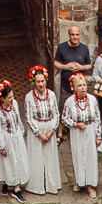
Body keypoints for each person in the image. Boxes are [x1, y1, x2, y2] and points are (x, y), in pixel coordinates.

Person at [62, 72, 102, 197]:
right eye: (79, 85)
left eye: (84, 85)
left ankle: (90, 185)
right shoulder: (69, 102)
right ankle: (79, 181)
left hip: (90, 131)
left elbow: (97, 119)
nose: (83, 88)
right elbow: (64, 119)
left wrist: (98, 136)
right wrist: (75, 124)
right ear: (74, 87)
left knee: (90, 157)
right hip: (77, 133)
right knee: (78, 156)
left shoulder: (92, 100)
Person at [24, 66, 62, 195]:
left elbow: (56, 114)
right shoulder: (29, 97)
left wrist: (52, 131)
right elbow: (28, 118)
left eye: (42, 81)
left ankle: (51, 184)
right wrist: (38, 134)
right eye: (38, 81)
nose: (41, 84)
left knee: (50, 158)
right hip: (37, 130)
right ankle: (37, 185)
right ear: (34, 82)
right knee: (37, 158)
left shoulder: (51, 95)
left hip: (49, 129)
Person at [0, 81, 28, 202]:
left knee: (18, 160)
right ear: (2, 98)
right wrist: (1, 146)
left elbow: (18, 120)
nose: (12, 99)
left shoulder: (15, 104)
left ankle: (14, 185)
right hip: (6, 138)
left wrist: (20, 132)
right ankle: (14, 187)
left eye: (12, 96)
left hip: (16, 136)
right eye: (9, 97)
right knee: (9, 162)